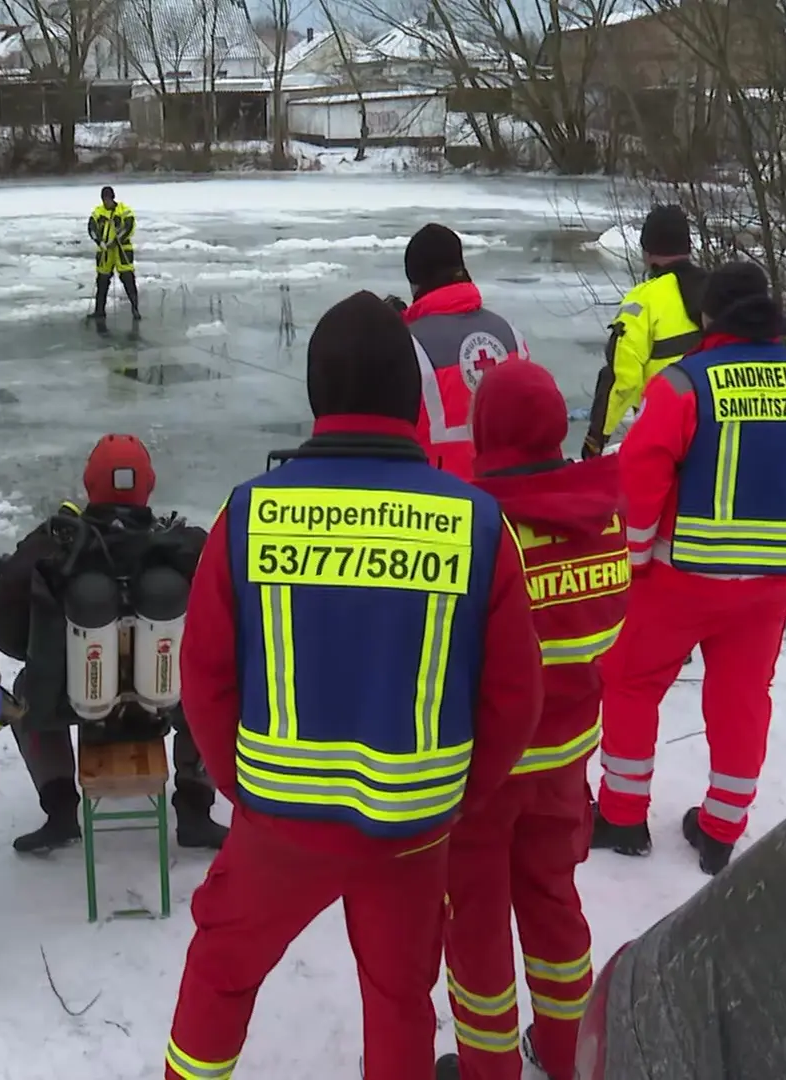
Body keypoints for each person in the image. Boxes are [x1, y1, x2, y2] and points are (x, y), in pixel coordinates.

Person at [163, 292, 543, 1080]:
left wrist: (247, 789)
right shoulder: (477, 523)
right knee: (399, 999)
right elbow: (514, 700)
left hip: (276, 822)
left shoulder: (247, 515)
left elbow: (203, 678)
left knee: (221, 972)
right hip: (410, 826)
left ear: (316, 395)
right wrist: (451, 799)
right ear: (413, 397)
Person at [594, 262, 786, 874]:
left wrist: (634, 558)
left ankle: (624, 816)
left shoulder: (686, 385)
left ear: (707, 318)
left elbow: (641, 475)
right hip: (769, 586)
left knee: (632, 684)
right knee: (742, 695)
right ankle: (721, 828)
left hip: (678, 578)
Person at [435, 359, 629, 1080]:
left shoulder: (475, 531)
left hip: (483, 776)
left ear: (485, 431)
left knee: (477, 922)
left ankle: (489, 1070)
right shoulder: (604, 516)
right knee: (555, 908)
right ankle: (564, 1053)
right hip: (564, 765)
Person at [0, 434, 228, 854]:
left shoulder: (49, 545)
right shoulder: (185, 546)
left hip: (68, 699)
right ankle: (194, 811)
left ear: (88, 484)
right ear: (148, 486)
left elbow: (1, 627)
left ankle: (60, 812)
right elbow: (226, 620)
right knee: (214, 685)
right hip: (169, 699)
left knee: (26, 691)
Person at [391, 223, 529, 479]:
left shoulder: (407, 345)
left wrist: (389, 329)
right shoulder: (512, 336)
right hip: (511, 499)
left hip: (440, 503)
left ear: (416, 283)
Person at [581, 204, 708, 458]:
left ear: (648, 252)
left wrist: (596, 439)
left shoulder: (643, 300)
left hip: (666, 435)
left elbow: (622, 378)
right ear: (688, 248)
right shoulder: (719, 290)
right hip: (719, 426)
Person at [87, 185, 140, 322]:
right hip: (105, 252)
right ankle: (99, 311)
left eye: (108, 199)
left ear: (112, 198)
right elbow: (92, 227)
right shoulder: (98, 212)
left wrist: (116, 240)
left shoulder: (124, 210)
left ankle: (135, 309)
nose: (106, 202)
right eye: (104, 199)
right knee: (102, 280)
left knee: (128, 279)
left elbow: (129, 225)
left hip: (122, 250)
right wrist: (99, 241)